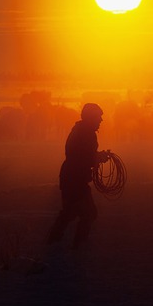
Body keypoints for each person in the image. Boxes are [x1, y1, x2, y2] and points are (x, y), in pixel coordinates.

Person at [47, 103, 109, 248]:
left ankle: (56, 241)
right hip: (75, 179)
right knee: (87, 213)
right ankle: (77, 245)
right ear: (91, 118)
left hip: (72, 178)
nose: (101, 120)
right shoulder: (85, 133)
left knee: (72, 213)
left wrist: (97, 156)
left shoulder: (82, 131)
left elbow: (82, 155)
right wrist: (97, 157)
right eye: (98, 117)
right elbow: (81, 157)